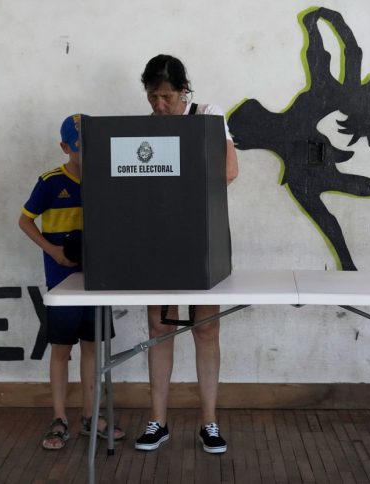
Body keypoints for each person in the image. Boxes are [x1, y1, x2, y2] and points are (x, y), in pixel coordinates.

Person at [133, 55, 238, 455]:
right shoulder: (144, 128)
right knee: (159, 328)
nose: (159, 105)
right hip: (159, 237)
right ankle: (157, 421)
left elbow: (229, 170)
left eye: (165, 97)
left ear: (183, 92)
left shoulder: (208, 115)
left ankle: (208, 422)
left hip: (201, 237)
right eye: (152, 97)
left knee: (206, 329)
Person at [19, 114, 125, 450]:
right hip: (61, 281)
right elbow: (25, 221)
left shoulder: (106, 179)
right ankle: (60, 417)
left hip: (96, 280)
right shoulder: (50, 182)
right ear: (65, 147)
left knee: (93, 347)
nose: (87, 154)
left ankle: (91, 416)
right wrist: (51, 249)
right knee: (61, 350)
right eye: (80, 148)